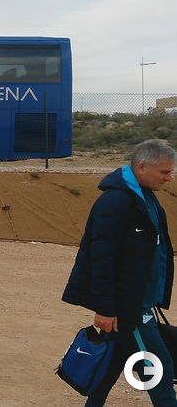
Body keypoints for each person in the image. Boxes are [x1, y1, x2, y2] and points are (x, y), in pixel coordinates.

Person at [62, 139, 177, 407]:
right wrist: (105, 309)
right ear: (142, 167)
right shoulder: (114, 203)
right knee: (159, 369)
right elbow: (101, 260)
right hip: (129, 310)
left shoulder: (146, 198)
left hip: (139, 302)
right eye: (165, 172)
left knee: (114, 359)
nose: (170, 178)